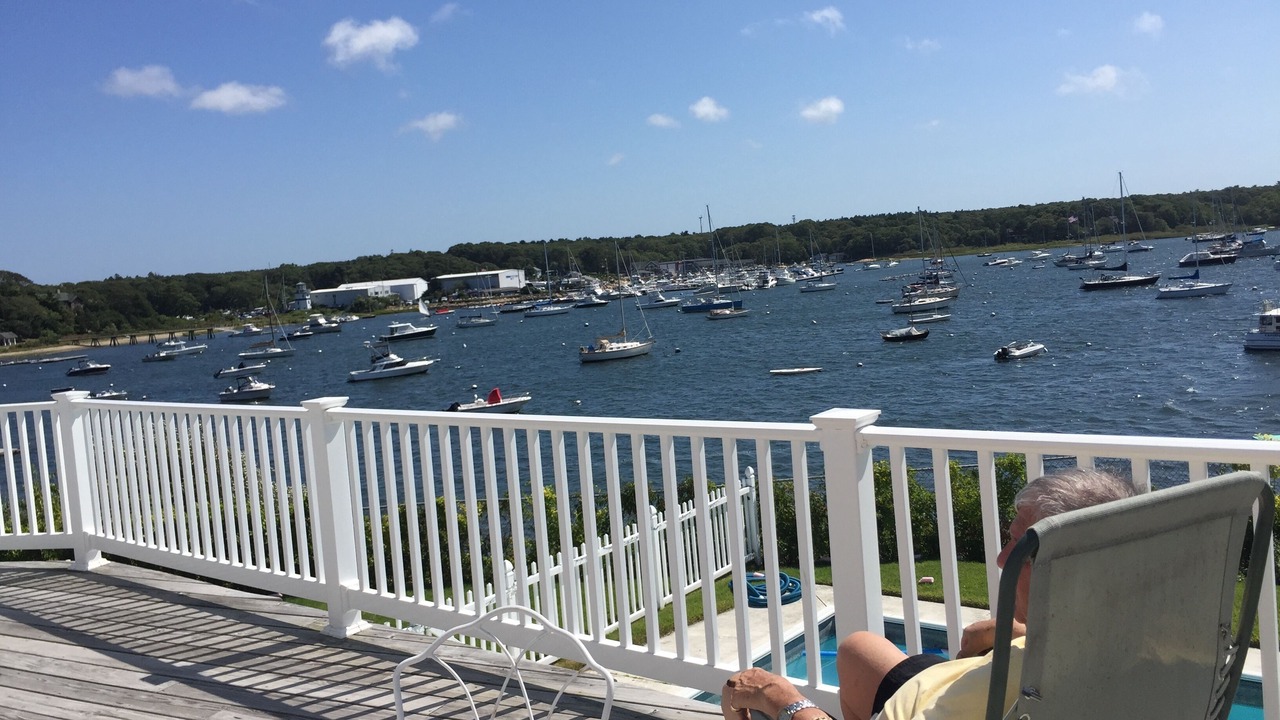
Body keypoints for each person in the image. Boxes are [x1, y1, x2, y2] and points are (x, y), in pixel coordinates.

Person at [719, 468, 1138, 720]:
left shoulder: (1044, 686)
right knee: (858, 648)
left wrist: (783, 700)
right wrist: (1011, 629)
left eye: (1018, 546)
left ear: (1065, 569)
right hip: (952, 681)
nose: (999, 559)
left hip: (931, 706)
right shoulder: (1130, 630)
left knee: (759, 692)